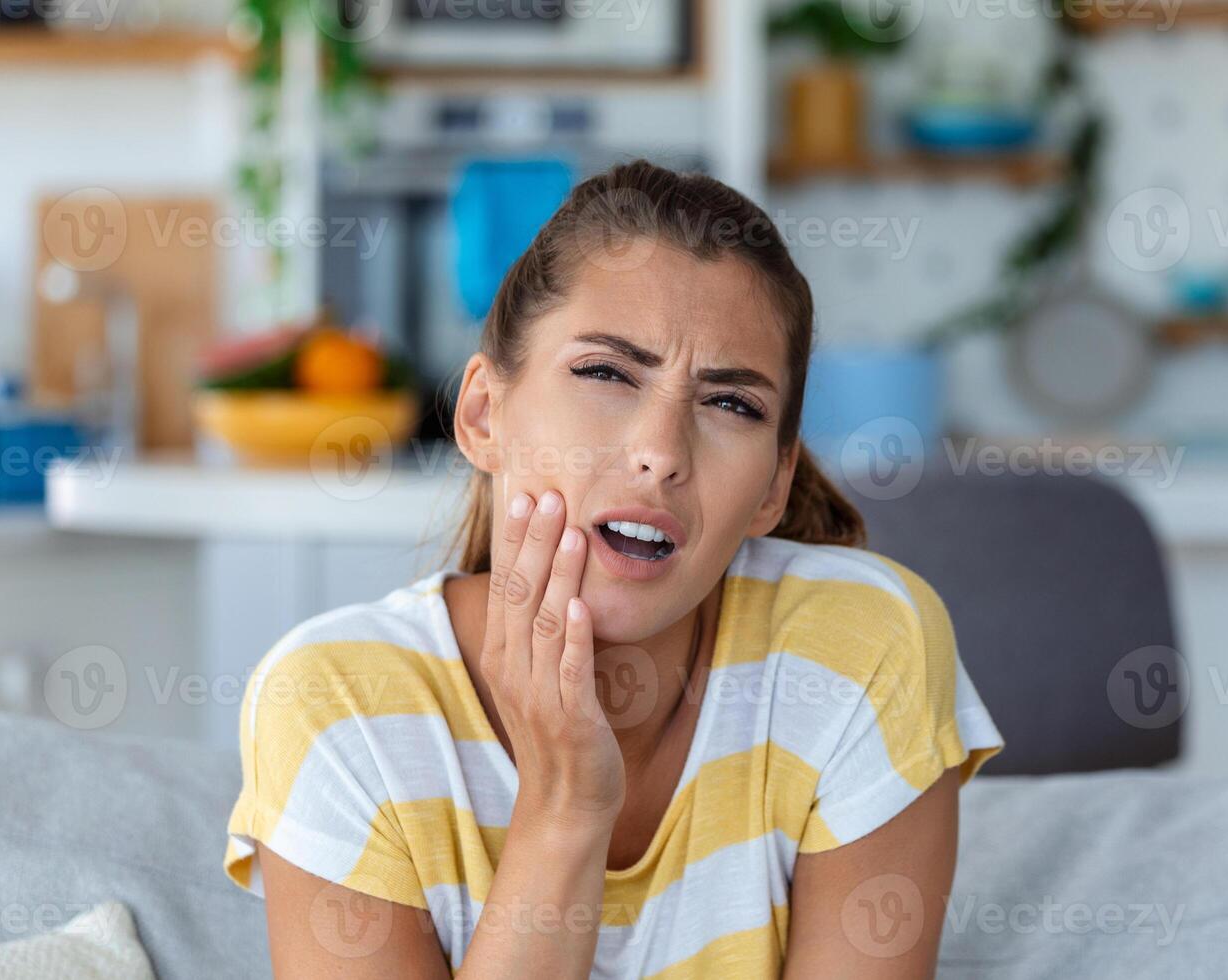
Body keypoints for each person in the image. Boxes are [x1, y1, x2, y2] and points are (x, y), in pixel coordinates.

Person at [223, 159, 1004, 978]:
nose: (660, 455)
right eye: (605, 373)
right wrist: (564, 810)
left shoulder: (862, 651)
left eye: (731, 403)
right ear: (485, 413)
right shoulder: (332, 707)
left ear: (774, 485)